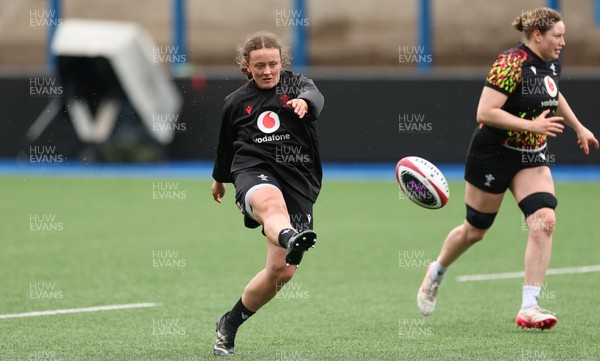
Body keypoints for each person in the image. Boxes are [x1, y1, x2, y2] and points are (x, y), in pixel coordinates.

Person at [417, 7, 598, 330]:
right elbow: (485, 112)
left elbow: (553, 94)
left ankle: (529, 307)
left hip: (531, 156)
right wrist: (531, 126)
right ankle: (436, 272)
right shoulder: (510, 63)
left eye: (564, 35)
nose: (563, 41)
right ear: (537, 35)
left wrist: (578, 127)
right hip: (493, 154)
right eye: (558, 35)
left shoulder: (551, 62)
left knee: (544, 220)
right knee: (475, 231)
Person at [210, 31, 325, 356]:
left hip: (298, 178)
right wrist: (220, 179)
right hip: (252, 168)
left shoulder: (299, 85)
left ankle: (229, 323)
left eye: (273, 64)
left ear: (281, 63)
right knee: (271, 204)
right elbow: (224, 147)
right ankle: (288, 236)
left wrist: (304, 102)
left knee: (281, 272)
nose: (267, 71)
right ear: (247, 66)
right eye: (259, 65)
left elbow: (316, 98)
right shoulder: (235, 102)